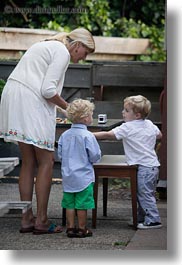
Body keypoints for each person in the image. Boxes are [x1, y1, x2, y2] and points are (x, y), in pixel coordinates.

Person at [0, 28, 95, 235]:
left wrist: (60, 108)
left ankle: (26, 219)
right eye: (85, 53)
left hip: (14, 95)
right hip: (30, 101)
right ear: (77, 45)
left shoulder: (44, 44)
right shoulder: (61, 51)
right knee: (46, 161)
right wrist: (68, 108)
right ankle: (42, 221)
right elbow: (48, 90)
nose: (83, 58)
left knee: (28, 161)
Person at [93, 95, 163, 229]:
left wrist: (89, 135)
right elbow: (159, 135)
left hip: (144, 167)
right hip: (152, 165)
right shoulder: (149, 123)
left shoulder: (127, 127)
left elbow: (108, 134)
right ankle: (141, 217)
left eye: (126, 110)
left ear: (136, 115)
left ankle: (154, 220)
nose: (122, 112)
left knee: (144, 194)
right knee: (143, 193)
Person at [58, 99, 101, 238]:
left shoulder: (64, 135)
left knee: (69, 203)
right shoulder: (88, 135)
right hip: (84, 177)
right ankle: (82, 228)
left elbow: (60, 154)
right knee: (82, 204)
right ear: (86, 118)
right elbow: (95, 155)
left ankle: (70, 227)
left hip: (68, 176)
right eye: (91, 114)